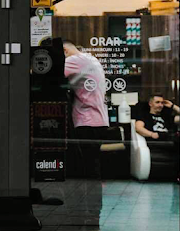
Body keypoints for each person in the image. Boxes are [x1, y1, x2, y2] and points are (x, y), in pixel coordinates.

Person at [62, 40, 109, 228]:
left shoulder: (75, 60)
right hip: (98, 120)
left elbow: (47, 72)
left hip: (86, 121)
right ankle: (92, 215)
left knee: (88, 173)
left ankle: (89, 215)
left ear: (65, 50)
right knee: (92, 171)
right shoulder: (91, 59)